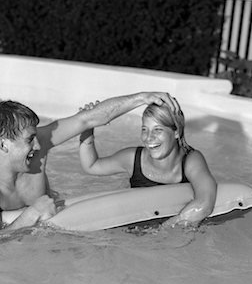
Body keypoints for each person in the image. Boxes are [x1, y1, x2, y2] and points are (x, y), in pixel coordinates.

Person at [0, 92, 175, 234]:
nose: (39, 146)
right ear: (4, 145)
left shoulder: (36, 147)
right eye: (29, 140)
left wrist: (143, 97)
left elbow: (88, 119)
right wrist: (33, 213)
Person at [78, 97, 217, 228]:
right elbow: (92, 166)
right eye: (144, 129)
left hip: (170, 235)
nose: (149, 138)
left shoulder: (191, 160)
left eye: (158, 130)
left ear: (176, 132)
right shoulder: (133, 159)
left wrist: (160, 231)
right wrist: (87, 129)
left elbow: (204, 204)